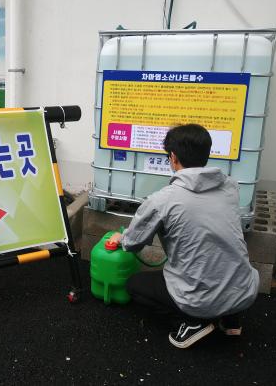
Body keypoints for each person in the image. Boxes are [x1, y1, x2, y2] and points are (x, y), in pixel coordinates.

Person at [107, 124, 259, 349]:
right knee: (220, 264)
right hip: (244, 289)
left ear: (173, 157)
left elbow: (134, 242)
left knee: (134, 285)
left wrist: (121, 238)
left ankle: (192, 323)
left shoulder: (163, 200)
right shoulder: (230, 188)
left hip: (199, 298)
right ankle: (230, 319)